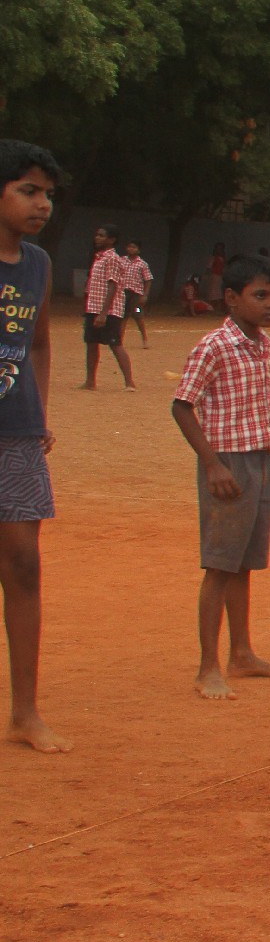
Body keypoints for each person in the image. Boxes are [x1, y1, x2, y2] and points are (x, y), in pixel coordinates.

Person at [171, 255, 270, 700]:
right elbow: (182, 405)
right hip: (227, 464)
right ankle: (208, 667)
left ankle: (241, 653)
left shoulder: (260, 344)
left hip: (257, 460)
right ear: (231, 298)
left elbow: (254, 405)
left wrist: (268, 455)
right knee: (220, 565)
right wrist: (212, 464)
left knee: (243, 562)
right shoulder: (214, 346)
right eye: (260, 295)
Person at [0, 143, 63, 750]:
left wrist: (38, 411)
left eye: (46, 193)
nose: (41, 203)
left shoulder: (38, 264)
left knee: (22, 564)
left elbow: (39, 342)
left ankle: (25, 713)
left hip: (15, 436)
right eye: (27, 189)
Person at [79, 225, 134, 390]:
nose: (97, 238)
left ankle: (129, 382)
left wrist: (104, 313)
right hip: (93, 307)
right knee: (91, 343)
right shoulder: (98, 257)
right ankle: (90, 381)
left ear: (112, 240)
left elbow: (113, 285)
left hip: (109, 310)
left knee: (115, 344)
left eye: (102, 235)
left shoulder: (112, 258)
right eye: (97, 235)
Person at [119, 239, 152, 348]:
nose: (131, 249)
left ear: (138, 250)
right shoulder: (121, 260)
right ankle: (119, 340)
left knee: (138, 316)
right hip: (123, 294)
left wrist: (145, 295)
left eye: (134, 247)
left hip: (136, 296)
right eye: (129, 247)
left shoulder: (142, 264)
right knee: (123, 317)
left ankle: (145, 339)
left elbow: (148, 279)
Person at [204, 242, 227, 308]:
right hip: (215, 276)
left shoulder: (223, 259)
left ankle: (219, 306)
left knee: (220, 293)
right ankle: (211, 306)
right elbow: (209, 268)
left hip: (221, 277)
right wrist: (207, 276)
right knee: (213, 292)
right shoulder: (213, 258)